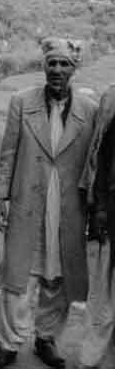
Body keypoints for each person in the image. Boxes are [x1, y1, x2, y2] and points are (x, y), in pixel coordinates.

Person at [0, 37, 97, 369]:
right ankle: (8, 344)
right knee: (19, 275)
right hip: (28, 198)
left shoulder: (89, 110)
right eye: (52, 63)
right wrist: (2, 194)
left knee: (57, 276)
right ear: (43, 66)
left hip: (68, 206)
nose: (57, 69)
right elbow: (9, 152)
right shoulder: (21, 101)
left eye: (64, 64)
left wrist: (92, 205)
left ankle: (46, 338)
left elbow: (92, 161)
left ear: (74, 69)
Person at [77, 84, 115, 369]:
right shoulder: (112, 100)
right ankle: (93, 358)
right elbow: (101, 157)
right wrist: (99, 207)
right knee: (101, 293)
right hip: (110, 212)